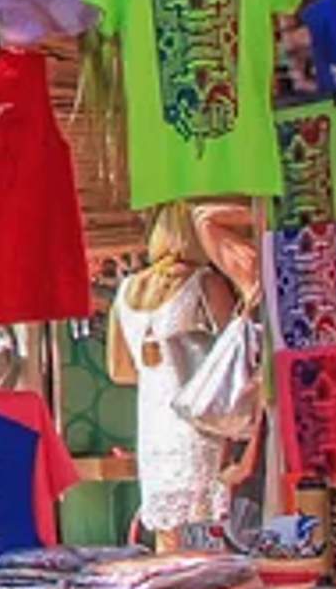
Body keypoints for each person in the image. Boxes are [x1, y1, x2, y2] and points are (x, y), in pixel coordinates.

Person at [110, 205, 260, 545]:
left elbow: (120, 370)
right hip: (203, 425)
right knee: (210, 536)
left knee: (169, 542)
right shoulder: (203, 283)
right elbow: (233, 355)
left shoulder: (127, 291)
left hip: (154, 427)